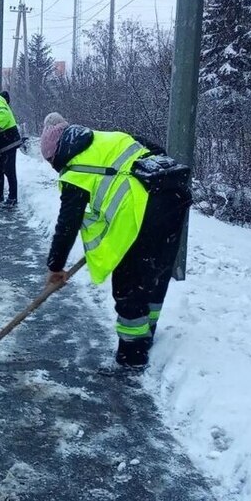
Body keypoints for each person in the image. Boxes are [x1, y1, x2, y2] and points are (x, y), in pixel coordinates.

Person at [41, 112, 191, 370]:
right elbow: (156, 151)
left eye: (52, 162)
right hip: (173, 195)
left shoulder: (75, 170)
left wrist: (55, 267)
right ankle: (146, 337)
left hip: (144, 211)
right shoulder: (108, 138)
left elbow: (67, 225)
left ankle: (132, 357)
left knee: (129, 282)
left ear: (56, 154)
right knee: (154, 274)